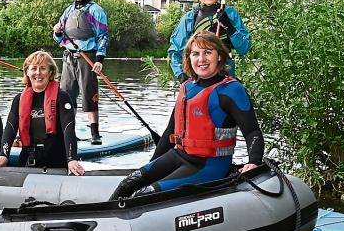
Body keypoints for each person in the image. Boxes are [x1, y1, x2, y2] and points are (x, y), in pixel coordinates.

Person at [110, 32, 263, 199]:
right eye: (195, 54)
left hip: (209, 166)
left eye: (208, 52)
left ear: (219, 56)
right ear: (189, 58)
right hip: (178, 155)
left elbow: (252, 132)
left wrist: (253, 162)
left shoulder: (232, 90)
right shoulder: (187, 87)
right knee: (127, 183)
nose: (201, 59)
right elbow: (170, 132)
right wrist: (151, 167)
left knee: (145, 195)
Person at [0, 50, 85, 175]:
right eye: (34, 68)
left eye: (43, 68)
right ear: (27, 72)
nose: (38, 73)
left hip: (56, 162)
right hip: (27, 160)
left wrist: (72, 159)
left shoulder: (62, 97)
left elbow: (68, 129)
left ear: (50, 72)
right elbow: (10, 129)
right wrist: (3, 154)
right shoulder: (19, 99)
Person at [53, 0, 109, 145]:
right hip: (69, 58)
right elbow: (59, 39)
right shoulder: (68, 11)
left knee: (89, 95)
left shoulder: (96, 11)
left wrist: (99, 59)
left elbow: (103, 36)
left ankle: (95, 134)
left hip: (88, 57)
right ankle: (68, 133)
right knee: (66, 96)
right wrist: (57, 32)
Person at [168, 0, 251, 83]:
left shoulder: (230, 13)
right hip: (198, 76)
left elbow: (244, 48)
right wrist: (180, 74)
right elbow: (175, 51)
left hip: (225, 74)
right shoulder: (190, 18)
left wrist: (229, 27)